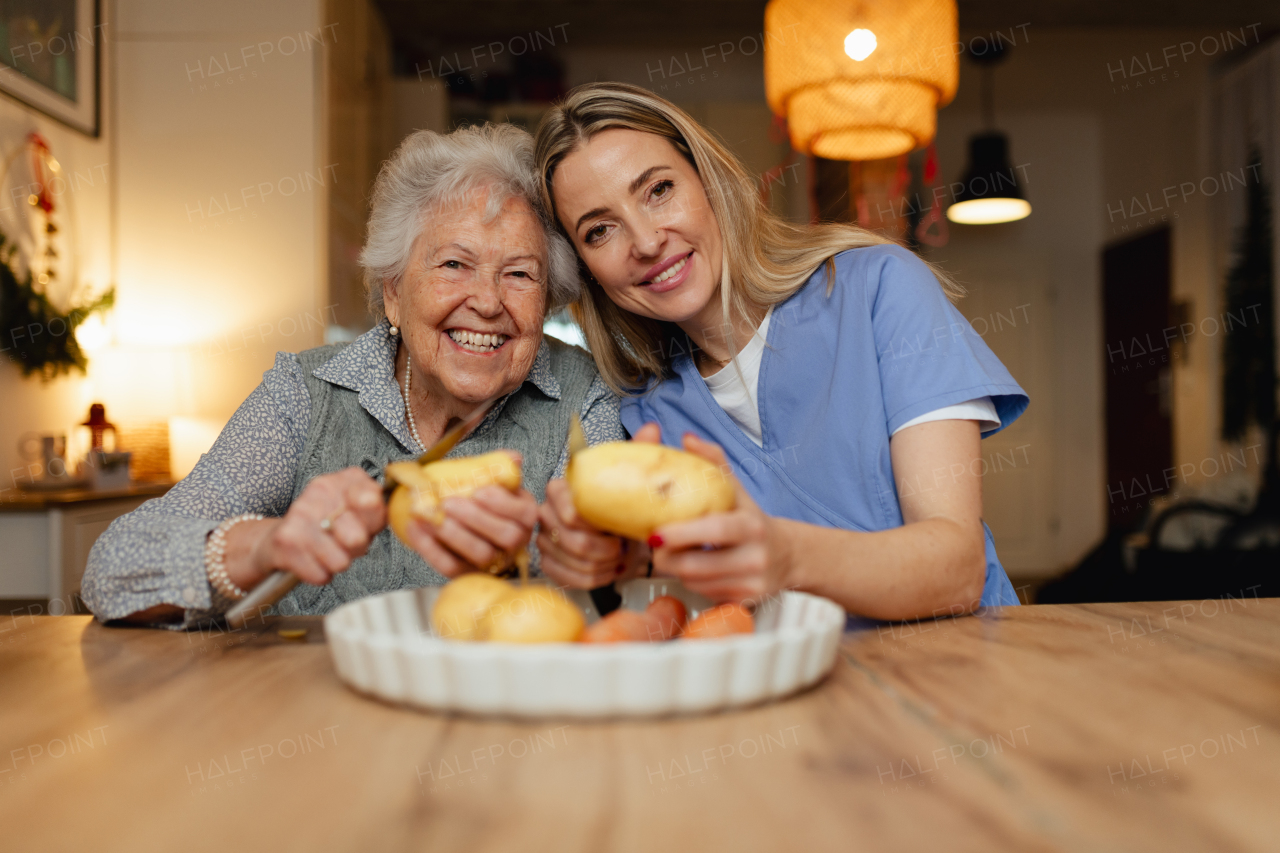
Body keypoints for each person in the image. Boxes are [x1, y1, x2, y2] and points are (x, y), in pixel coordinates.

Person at [81, 123, 625, 627]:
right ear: (393, 291)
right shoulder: (304, 395)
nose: (487, 301)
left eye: (519, 274)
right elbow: (110, 573)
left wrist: (588, 555)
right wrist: (268, 545)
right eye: (454, 264)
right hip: (314, 714)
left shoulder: (586, 399)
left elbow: (615, 590)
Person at [531, 83, 1029, 621]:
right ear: (586, 270)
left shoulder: (879, 289)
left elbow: (956, 570)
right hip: (797, 693)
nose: (647, 241)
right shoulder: (645, 408)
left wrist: (786, 553)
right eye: (600, 230)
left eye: (658, 190)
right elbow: (701, 593)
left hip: (964, 679)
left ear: (709, 180)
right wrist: (620, 563)